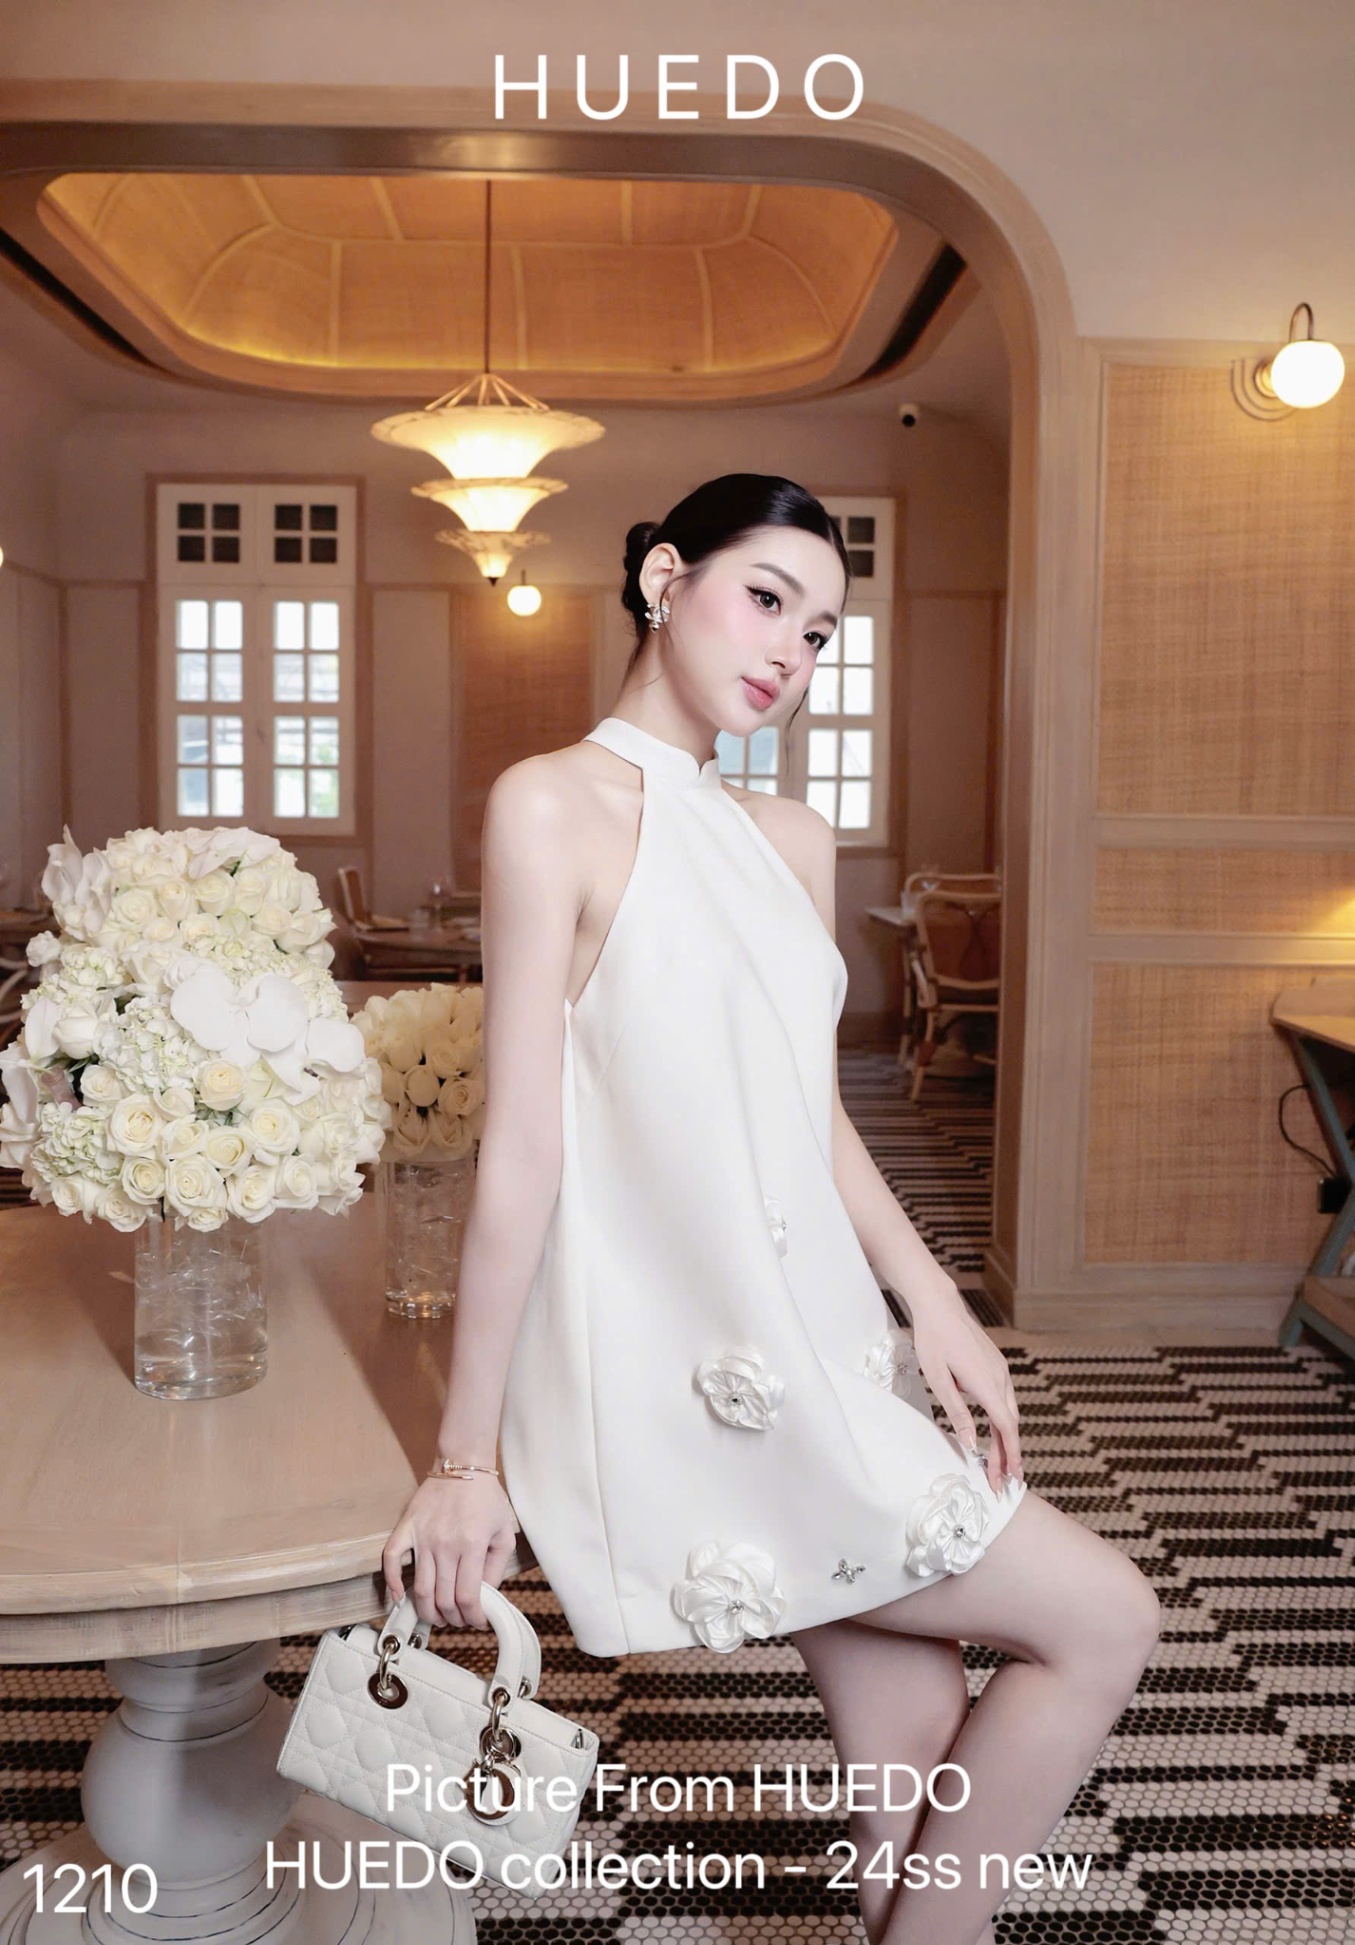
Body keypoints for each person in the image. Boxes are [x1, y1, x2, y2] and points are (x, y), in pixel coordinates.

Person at [381, 473, 1160, 1945]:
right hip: (692, 1369)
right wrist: (465, 1459)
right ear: (665, 579)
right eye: (766, 600)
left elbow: (811, 1118)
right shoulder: (549, 805)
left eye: (818, 635)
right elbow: (523, 1149)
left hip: (821, 1339)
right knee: (1112, 1615)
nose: (790, 655)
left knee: (913, 1736)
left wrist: (934, 1304)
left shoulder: (791, 837)